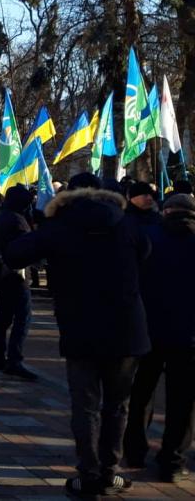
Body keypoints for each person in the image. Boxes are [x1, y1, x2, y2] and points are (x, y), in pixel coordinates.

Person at [5, 173, 150, 496]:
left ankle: (88, 473)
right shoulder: (126, 223)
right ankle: (110, 472)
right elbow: (146, 253)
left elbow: (14, 254)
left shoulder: (61, 225)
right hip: (126, 325)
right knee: (117, 405)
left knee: (85, 404)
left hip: (80, 324)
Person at [123, 193, 195, 481]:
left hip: (147, 329)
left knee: (141, 392)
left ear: (166, 211)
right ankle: (172, 461)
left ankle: (134, 450)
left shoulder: (147, 237)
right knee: (183, 400)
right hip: (189, 335)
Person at [0, 185, 37, 381]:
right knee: (22, 317)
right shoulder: (18, 220)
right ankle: (14, 359)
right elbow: (24, 248)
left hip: (1, 272)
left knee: (3, 316)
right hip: (16, 274)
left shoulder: (2, 216)